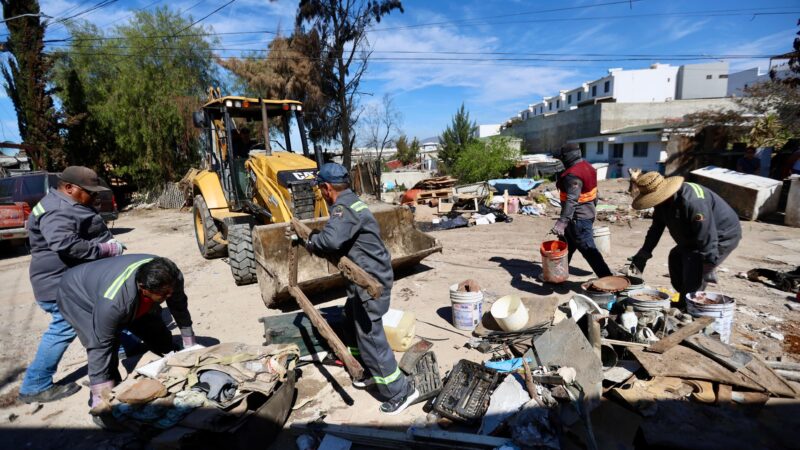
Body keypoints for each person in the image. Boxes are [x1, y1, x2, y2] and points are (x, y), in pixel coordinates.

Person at [303, 163, 418, 415]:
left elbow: (331, 240)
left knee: (370, 335)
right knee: (349, 317)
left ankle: (400, 391)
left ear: (327, 187)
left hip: (370, 280)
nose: (320, 194)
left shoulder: (343, 208)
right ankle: (364, 368)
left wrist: (312, 241)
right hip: (364, 276)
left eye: (320, 189)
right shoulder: (351, 201)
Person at [19, 166, 126, 404]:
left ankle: (121, 348)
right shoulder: (57, 209)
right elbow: (65, 244)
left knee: (105, 311)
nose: (94, 197)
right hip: (58, 284)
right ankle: (34, 385)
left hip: (72, 280)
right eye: (90, 192)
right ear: (70, 188)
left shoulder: (63, 202)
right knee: (64, 327)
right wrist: (103, 249)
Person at [56, 255, 196, 419]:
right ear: (144, 289)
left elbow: (178, 305)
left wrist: (190, 346)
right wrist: (101, 399)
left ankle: (167, 354)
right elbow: (100, 346)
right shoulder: (114, 303)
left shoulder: (171, 276)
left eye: (170, 290)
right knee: (106, 342)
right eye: (164, 294)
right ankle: (105, 396)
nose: (169, 295)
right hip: (77, 295)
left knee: (154, 327)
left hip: (111, 285)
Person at [628, 172, 741, 306]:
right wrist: (644, 253)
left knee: (694, 266)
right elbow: (656, 229)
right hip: (694, 237)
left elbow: (706, 234)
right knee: (675, 258)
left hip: (720, 235)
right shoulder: (662, 203)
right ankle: (684, 299)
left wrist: (709, 263)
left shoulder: (693, 201)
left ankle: (689, 307)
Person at [550, 143, 613, 278]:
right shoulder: (588, 167)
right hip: (585, 215)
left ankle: (608, 280)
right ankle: (557, 275)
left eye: (561, 158)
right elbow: (595, 193)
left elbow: (572, 199)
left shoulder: (572, 175)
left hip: (578, 219)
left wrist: (562, 221)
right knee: (566, 247)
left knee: (589, 250)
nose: (560, 161)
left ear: (567, 157)